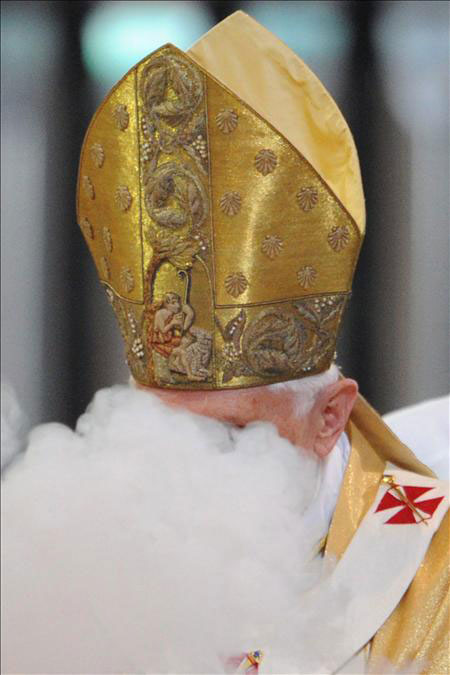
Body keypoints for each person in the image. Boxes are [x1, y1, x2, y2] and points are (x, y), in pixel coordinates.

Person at [2, 10, 448, 675]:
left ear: (330, 417)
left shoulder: (428, 574)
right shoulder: (90, 547)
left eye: (234, 433)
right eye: (163, 425)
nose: (189, 467)